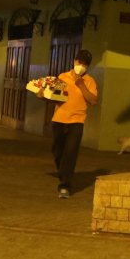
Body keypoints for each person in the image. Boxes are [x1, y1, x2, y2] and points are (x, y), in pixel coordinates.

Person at [39, 49, 98, 198]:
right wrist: (43, 96)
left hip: (77, 121)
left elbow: (93, 101)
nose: (81, 66)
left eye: (85, 64)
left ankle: (65, 185)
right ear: (75, 61)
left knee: (71, 152)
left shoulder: (90, 81)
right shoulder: (63, 77)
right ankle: (64, 173)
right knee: (58, 151)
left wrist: (81, 85)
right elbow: (54, 97)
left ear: (88, 66)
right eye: (80, 62)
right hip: (59, 119)